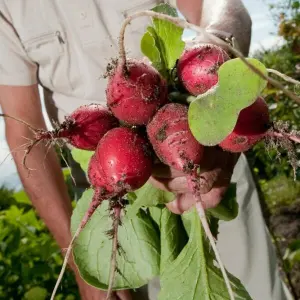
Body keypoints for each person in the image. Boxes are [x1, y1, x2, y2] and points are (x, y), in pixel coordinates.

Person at [0, 0, 293, 299]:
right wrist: (77, 260)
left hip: (212, 157)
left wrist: (217, 47)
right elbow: (23, 131)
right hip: (115, 193)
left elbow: (225, 5)